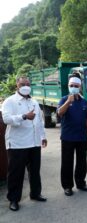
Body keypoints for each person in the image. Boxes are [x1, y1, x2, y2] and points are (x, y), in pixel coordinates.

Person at [2, 76, 47, 211]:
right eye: (23, 84)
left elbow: (39, 121)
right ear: (17, 85)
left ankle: (35, 193)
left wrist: (43, 136)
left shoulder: (34, 101)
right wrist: (24, 116)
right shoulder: (10, 101)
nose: (26, 86)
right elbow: (6, 119)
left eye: (28, 84)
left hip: (34, 141)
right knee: (16, 172)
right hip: (18, 143)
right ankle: (14, 200)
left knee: (34, 170)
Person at [57, 75, 87, 196]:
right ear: (68, 86)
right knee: (67, 162)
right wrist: (68, 102)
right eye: (71, 86)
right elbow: (60, 113)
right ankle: (67, 186)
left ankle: (81, 183)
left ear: (80, 87)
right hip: (68, 138)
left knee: (82, 162)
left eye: (76, 86)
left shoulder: (84, 102)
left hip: (81, 137)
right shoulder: (63, 99)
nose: (73, 88)